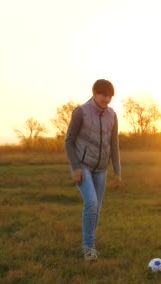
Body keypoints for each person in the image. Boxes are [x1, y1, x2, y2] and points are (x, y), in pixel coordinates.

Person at [65, 79, 121, 261]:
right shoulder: (80, 112)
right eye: (104, 95)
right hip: (83, 166)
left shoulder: (112, 115)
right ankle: (88, 249)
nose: (107, 99)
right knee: (91, 204)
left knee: (96, 209)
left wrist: (117, 172)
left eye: (110, 96)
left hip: (101, 168)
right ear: (95, 93)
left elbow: (114, 144)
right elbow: (69, 141)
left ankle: (89, 242)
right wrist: (75, 168)